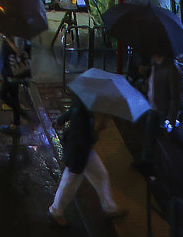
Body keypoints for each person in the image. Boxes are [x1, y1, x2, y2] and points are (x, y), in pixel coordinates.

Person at [49, 96, 128, 225]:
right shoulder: (85, 107)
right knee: (69, 183)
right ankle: (55, 212)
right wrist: (99, 129)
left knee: (100, 175)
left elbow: (72, 111)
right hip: (78, 153)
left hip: (84, 151)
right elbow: (86, 136)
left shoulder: (83, 100)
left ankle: (109, 207)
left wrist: (60, 120)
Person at [0, 35, 32, 133]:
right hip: (15, 73)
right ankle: (17, 117)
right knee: (13, 96)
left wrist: (7, 39)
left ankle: (17, 117)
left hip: (12, 73)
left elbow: (18, 50)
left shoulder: (17, 36)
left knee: (3, 94)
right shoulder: (25, 34)